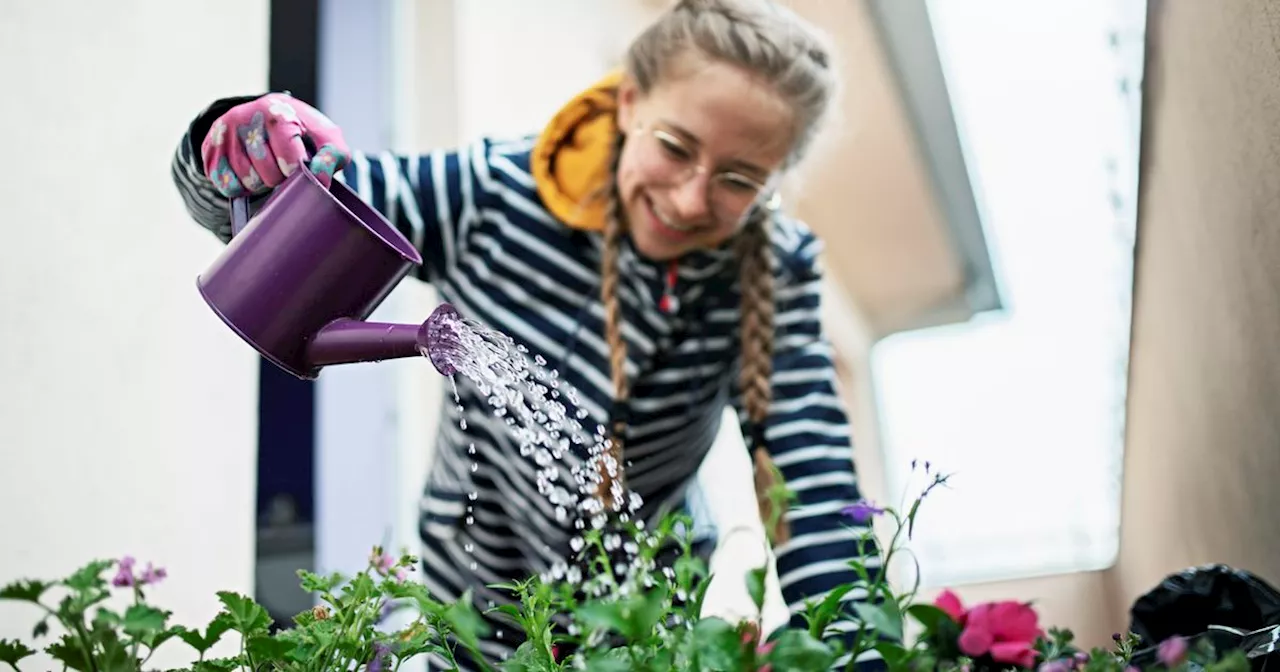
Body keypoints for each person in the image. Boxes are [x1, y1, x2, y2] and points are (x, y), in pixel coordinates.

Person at [172, 0, 881, 667]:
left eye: (738, 179)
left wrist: (856, 647)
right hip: (472, 606)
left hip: (649, 623)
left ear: (775, 178)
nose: (691, 197)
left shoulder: (776, 270)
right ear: (630, 101)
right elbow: (312, 206)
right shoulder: (495, 195)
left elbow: (812, 480)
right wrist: (235, 150)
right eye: (675, 147)